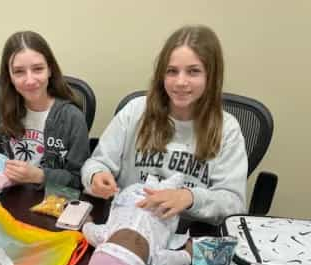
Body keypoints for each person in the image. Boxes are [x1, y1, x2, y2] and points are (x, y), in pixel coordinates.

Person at [81, 25, 247, 225]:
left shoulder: (227, 129)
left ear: (211, 77)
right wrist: (96, 176)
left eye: (193, 71)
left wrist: (189, 198)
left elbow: (234, 203)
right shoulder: (135, 111)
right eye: (172, 71)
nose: (180, 81)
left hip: (188, 233)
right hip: (130, 224)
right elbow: (96, 163)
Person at [0, 31, 89, 189]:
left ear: (50, 70)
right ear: (9, 76)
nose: (30, 80)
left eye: (38, 69)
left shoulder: (72, 117)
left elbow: (79, 180)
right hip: (10, 196)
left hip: (50, 203)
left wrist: (39, 176)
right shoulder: (2, 107)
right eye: (19, 72)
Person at [83, 174, 191, 265]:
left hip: (132, 194)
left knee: (169, 186)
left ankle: (164, 180)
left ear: (105, 244)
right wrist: (189, 252)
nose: (131, 237)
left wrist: (86, 221)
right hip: (165, 203)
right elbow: (181, 259)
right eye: (135, 246)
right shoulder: (157, 259)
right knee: (174, 183)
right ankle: (175, 180)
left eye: (120, 241)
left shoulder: (102, 236)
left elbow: (88, 230)